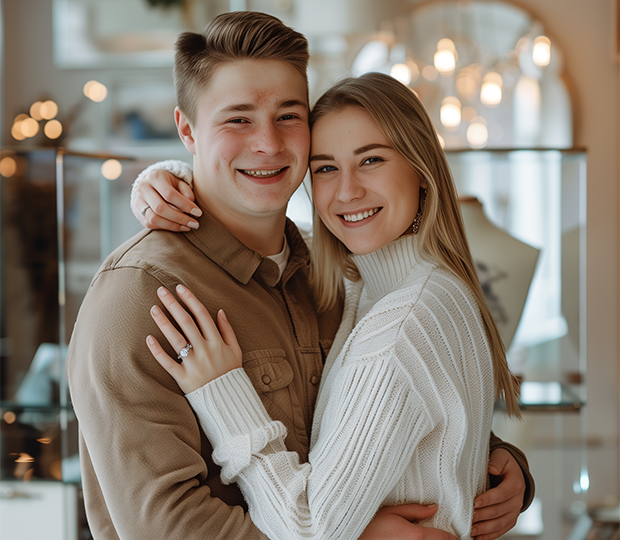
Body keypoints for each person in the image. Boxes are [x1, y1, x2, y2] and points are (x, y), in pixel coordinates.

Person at [68, 11, 531, 540]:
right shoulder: (141, 295)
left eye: (289, 116)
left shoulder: (339, 278)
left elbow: (389, 421)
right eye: (238, 119)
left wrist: (496, 464)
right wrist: (350, 535)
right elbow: (166, 528)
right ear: (187, 130)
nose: (268, 143)